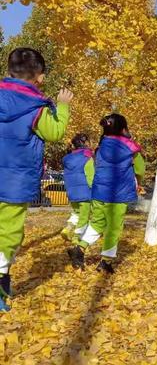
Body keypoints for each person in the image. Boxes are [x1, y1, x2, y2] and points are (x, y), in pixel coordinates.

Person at [0, 48, 73, 312]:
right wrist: (62, 107)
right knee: (8, 231)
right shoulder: (36, 107)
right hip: (14, 181)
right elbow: (54, 133)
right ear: (39, 78)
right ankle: (1, 275)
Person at [68, 114, 144, 274]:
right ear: (124, 129)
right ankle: (105, 262)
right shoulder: (131, 149)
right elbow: (140, 169)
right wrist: (138, 181)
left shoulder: (101, 147)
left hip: (99, 192)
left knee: (97, 222)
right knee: (113, 228)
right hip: (119, 194)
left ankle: (80, 248)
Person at [61, 133, 95, 244]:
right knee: (84, 216)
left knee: (76, 213)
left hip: (72, 192)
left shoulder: (67, 159)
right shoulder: (87, 158)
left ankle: (68, 228)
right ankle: (77, 237)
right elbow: (90, 177)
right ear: (85, 144)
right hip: (85, 193)